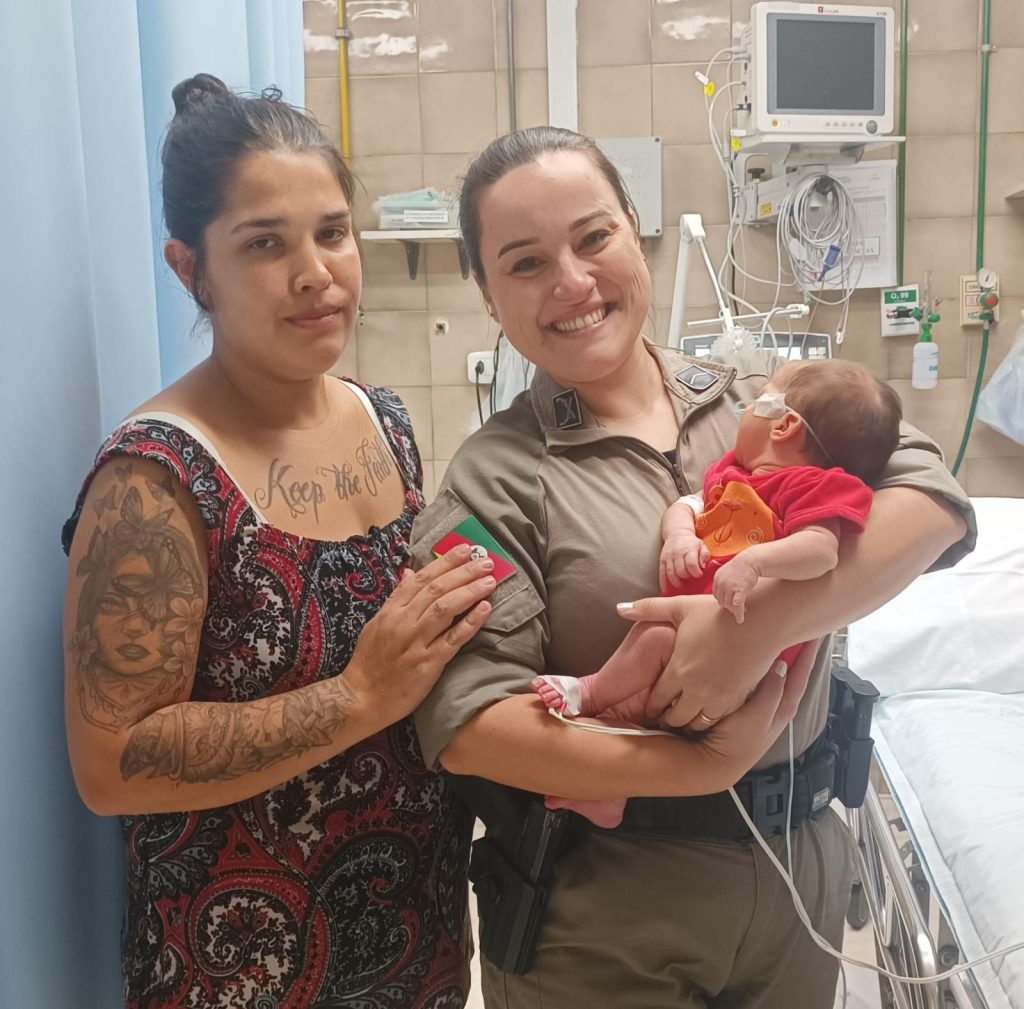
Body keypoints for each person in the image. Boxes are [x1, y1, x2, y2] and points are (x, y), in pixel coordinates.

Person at [408, 126, 974, 1009]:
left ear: (636, 231)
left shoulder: (765, 402)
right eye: (526, 262)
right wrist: (696, 767)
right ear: (488, 295)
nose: (572, 281)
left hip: (797, 880)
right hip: (608, 917)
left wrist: (758, 629)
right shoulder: (494, 478)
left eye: (594, 237)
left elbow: (932, 499)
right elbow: (469, 721)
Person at [61, 74, 496, 1009]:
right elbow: (110, 761)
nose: (315, 273)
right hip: (241, 974)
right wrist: (358, 696)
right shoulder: (156, 477)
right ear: (191, 269)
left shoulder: (384, 421)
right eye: (265, 243)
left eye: (332, 232)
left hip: (415, 948)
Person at [531, 358, 900, 828]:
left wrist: (754, 563)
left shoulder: (814, 486)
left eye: (757, 401)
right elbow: (685, 506)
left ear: (783, 425)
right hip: (693, 630)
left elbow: (821, 551)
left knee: (654, 641)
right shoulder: (732, 474)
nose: (742, 410)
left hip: (749, 651)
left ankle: (590, 692)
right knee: (642, 703)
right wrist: (680, 537)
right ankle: (612, 795)